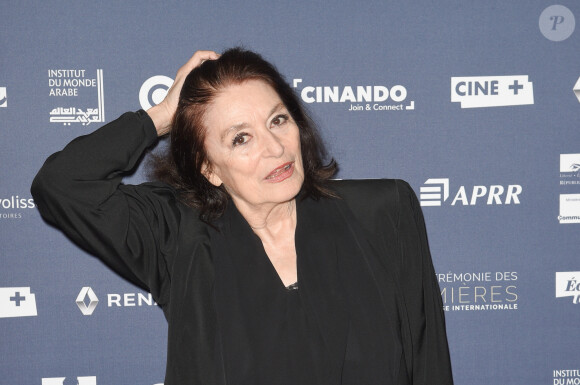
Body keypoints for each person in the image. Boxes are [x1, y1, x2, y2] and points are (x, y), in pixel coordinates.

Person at [31, 48, 453, 385]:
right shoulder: (177, 236)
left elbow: (427, 357)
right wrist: (161, 118)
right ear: (208, 167)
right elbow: (62, 184)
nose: (275, 148)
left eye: (278, 120)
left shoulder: (384, 211)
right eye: (241, 138)